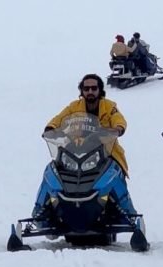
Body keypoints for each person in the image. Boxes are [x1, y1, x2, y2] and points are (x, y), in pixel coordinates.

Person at [43, 75, 144, 233]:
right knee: (52, 172)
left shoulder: (109, 106)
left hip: (105, 152)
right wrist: (51, 128)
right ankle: (41, 212)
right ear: (82, 90)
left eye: (94, 88)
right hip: (76, 152)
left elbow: (118, 118)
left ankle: (128, 214)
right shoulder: (74, 107)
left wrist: (117, 128)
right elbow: (60, 118)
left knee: (114, 173)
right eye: (86, 88)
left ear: (100, 90)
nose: (90, 91)